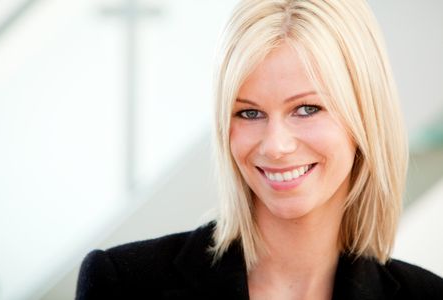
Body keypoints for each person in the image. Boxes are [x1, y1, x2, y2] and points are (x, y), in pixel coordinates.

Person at [75, 0, 443, 299]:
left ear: (364, 114)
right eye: (249, 112)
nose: (276, 146)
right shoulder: (124, 284)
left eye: (307, 108)